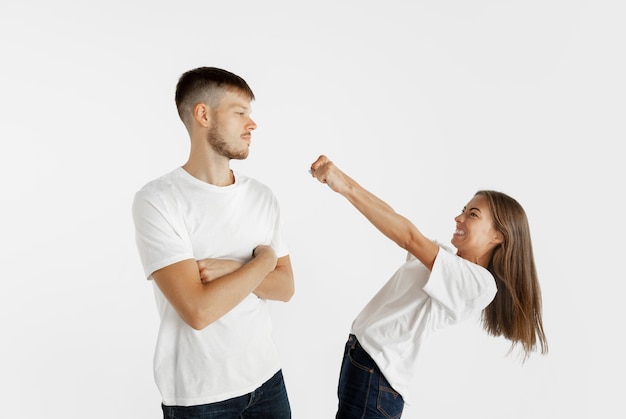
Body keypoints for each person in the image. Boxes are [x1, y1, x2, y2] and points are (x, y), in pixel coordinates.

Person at [309, 155, 547, 419]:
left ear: (498, 236)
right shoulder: (442, 257)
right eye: (463, 209)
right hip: (362, 364)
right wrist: (339, 180)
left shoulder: (479, 284)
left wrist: (344, 186)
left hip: (376, 378)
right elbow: (394, 219)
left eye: (472, 214)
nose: (459, 218)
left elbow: (408, 237)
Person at [132, 66, 295, 418]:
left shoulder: (261, 196)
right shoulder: (158, 200)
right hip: (200, 398)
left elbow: (286, 287)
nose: (252, 125)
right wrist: (264, 261)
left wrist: (237, 268)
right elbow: (198, 310)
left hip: (267, 381)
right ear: (203, 114)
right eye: (240, 113)